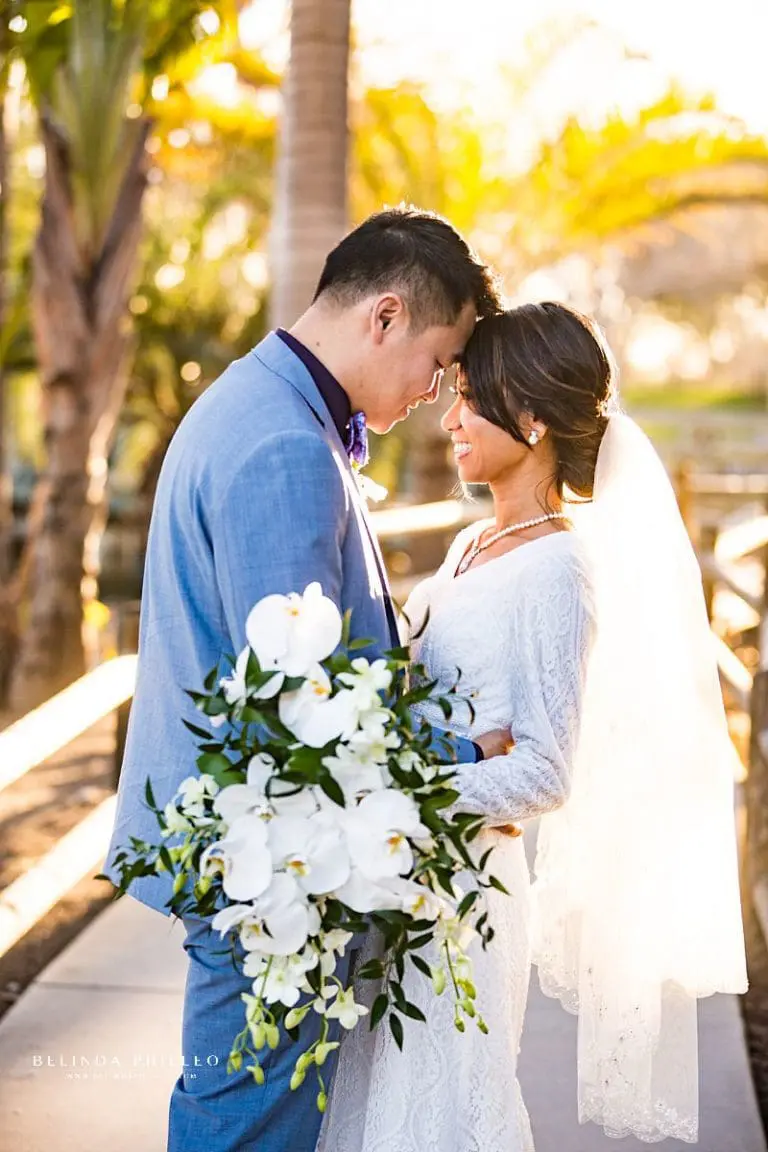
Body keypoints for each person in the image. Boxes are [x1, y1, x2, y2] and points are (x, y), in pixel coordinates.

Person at [102, 206, 512, 1152]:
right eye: (439, 359)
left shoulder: (256, 402)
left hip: (245, 839)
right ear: (384, 316)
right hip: (264, 863)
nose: (434, 390)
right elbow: (302, 700)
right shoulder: (288, 446)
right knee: (246, 1129)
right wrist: (461, 758)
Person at [317, 302, 747, 1150]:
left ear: (535, 418)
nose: (450, 417)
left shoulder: (559, 569)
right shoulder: (475, 542)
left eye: (471, 398)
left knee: (436, 1116)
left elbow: (547, 771)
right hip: (407, 883)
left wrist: (400, 793)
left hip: (466, 900)